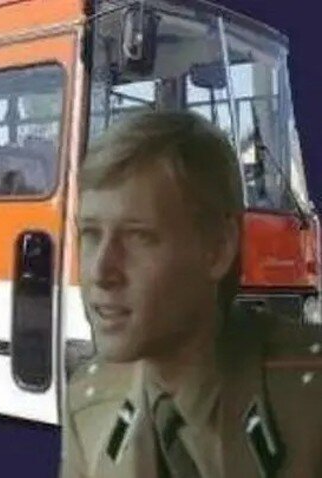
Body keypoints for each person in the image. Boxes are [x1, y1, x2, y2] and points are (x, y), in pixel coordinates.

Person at [61, 111, 322, 478]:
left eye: (138, 236)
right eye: (90, 234)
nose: (100, 273)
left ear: (217, 248)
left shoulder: (309, 398)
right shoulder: (89, 401)